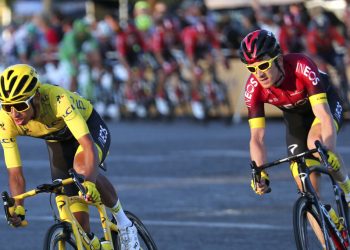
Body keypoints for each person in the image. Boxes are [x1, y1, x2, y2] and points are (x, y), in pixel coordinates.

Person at [0, 64, 140, 250]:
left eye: (20, 105)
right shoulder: (6, 120)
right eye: (7, 106)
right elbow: (15, 172)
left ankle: (124, 224)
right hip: (58, 142)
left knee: (82, 171)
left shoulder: (58, 99)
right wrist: (18, 205)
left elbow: (87, 145)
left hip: (88, 129)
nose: (13, 113)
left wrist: (88, 182)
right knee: (78, 225)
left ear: (37, 97)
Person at [239, 29, 350, 202]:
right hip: (295, 119)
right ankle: (325, 223)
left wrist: (329, 151)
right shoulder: (253, 89)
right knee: (306, 189)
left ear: (279, 60)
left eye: (263, 65)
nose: (259, 74)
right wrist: (260, 173)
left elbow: (323, 114)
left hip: (324, 105)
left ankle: (348, 189)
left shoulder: (301, 65)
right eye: (252, 68)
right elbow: (257, 138)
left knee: (315, 143)